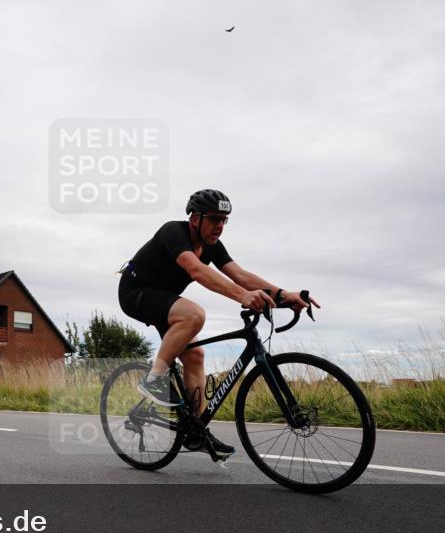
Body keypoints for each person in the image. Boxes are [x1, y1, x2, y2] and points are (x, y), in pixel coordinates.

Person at [118, 189, 320, 455]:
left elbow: (240, 275)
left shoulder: (212, 246)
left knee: (195, 356)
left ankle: (197, 432)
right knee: (194, 314)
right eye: (214, 219)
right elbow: (197, 270)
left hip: (163, 298)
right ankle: (153, 379)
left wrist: (283, 295)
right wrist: (243, 296)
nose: (220, 226)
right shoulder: (173, 232)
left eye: (225, 220)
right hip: (135, 292)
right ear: (195, 219)